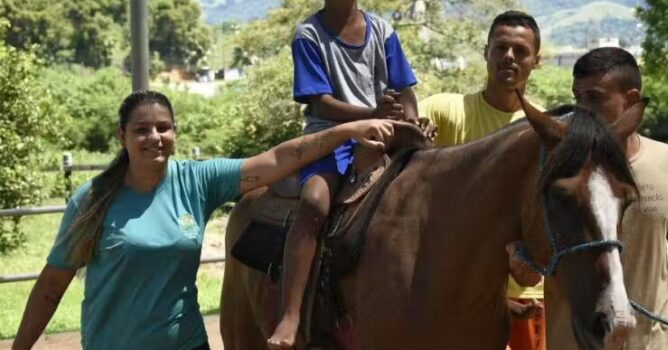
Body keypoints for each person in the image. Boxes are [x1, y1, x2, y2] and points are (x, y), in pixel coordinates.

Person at [12, 90, 398, 350]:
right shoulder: (93, 199)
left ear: (175, 132)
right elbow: (51, 286)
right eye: (141, 130)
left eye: (163, 127)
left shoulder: (197, 181)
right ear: (122, 135)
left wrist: (346, 131)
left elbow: (278, 160)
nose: (154, 137)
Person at [514, 47, 668, 349]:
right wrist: (519, 261)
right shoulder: (554, 170)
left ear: (631, 102)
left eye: (594, 98)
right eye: (577, 97)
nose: (581, 109)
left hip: (657, 344)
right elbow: (524, 254)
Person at [268, 0, 418, 348]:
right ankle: (290, 315)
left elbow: (406, 88)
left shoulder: (382, 31)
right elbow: (318, 101)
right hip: (331, 138)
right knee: (316, 202)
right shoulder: (308, 35)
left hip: (385, 134)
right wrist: (370, 113)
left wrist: (411, 121)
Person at [419, 10, 546, 350]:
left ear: (537, 60)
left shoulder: (543, 129)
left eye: (520, 51)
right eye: (500, 47)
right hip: (459, 300)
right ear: (485, 51)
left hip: (529, 297)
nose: (509, 56)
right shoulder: (442, 111)